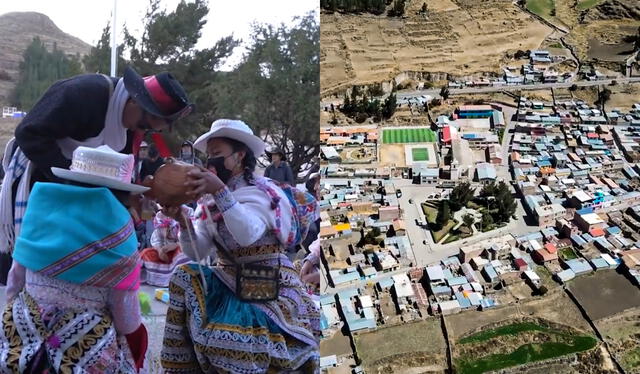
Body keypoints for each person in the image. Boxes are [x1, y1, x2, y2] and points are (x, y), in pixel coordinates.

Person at [160, 119, 319, 373]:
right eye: (208, 155)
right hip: (228, 278)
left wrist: (221, 192)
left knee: (235, 332)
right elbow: (199, 252)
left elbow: (248, 234)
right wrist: (182, 220)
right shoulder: (208, 201)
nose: (210, 162)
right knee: (183, 276)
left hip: (268, 282)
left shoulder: (263, 193)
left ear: (239, 156)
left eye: (217, 154)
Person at [0, 66, 194, 263]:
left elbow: (116, 178)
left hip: (75, 195)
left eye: (150, 131)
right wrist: (69, 176)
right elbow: (29, 132)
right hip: (39, 175)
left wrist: (130, 199)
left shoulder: (128, 130)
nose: (140, 132)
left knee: (67, 258)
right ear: (135, 100)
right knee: (29, 254)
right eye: (143, 126)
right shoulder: (83, 93)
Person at [1, 146, 148, 372]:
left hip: (23, 333)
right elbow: (126, 319)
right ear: (120, 196)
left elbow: (15, 281)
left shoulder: (41, 213)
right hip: (83, 345)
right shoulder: (121, 236)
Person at [140, 209, 191, 287]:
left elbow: (190, 241)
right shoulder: (160, 222)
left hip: (179, 251)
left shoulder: (182, 219)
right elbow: (157, 240)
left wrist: (176, 245)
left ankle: (179, 280)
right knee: (146, 253)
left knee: (183, 252)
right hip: (166, 255)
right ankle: (158, 279)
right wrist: (160, 251)